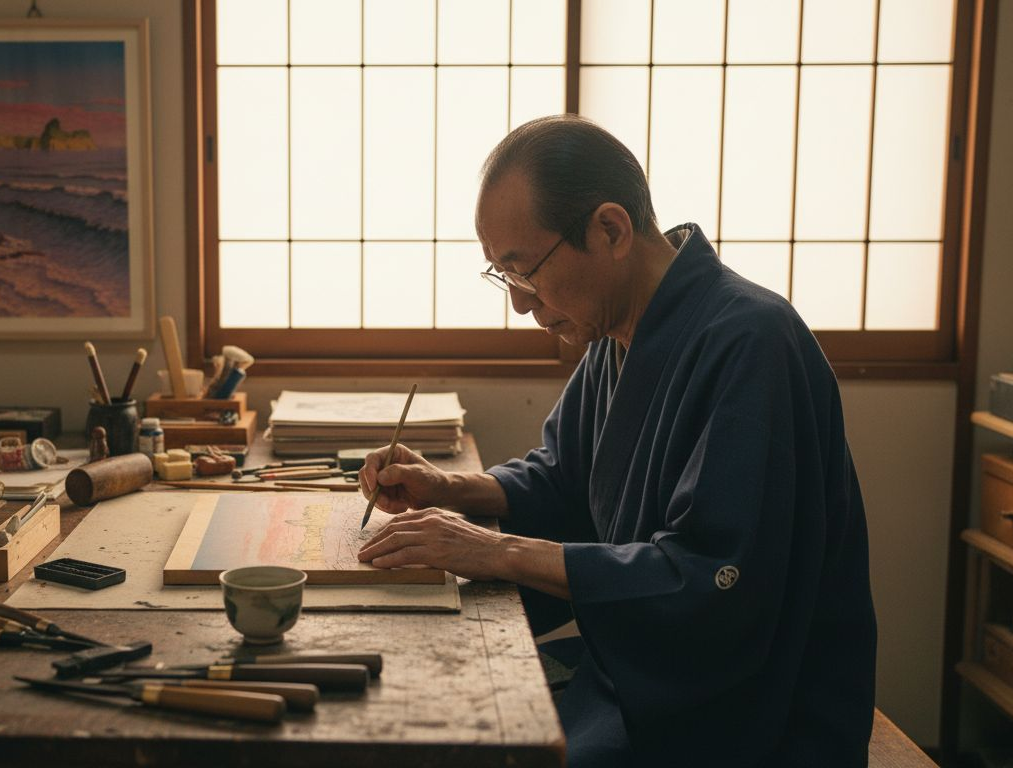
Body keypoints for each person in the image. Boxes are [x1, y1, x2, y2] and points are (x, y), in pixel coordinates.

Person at [357, 115, 877, 767]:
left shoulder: (752, 342)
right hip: (636, 677)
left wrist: (496, 550)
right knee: (434, 704)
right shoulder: (617, 331)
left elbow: (713, 582)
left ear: (610, 230)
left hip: (740, 715)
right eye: (502, 276)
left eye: (524, 271)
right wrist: (448, 487)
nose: (520, 305)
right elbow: (564, 480)